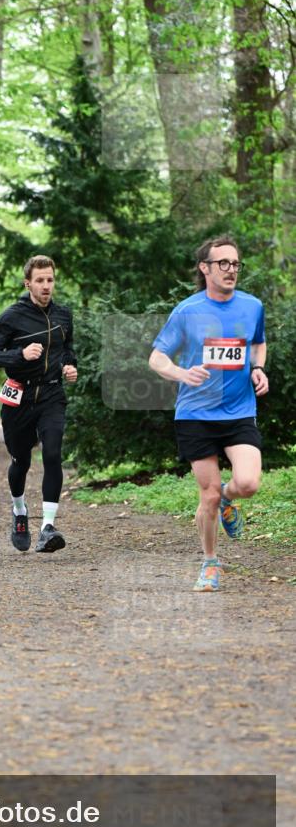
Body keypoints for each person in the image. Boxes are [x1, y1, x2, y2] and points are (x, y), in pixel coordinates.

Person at [149, 235, 268, 592]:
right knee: (209, 495)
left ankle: (230, 499)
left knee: (248, 483)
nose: (231, 270)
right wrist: (181, 373)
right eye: (223, 263)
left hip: (239, 411)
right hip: (196, 415)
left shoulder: (252, 306)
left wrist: (258, 368)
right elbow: (157, 357)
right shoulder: (188, 311)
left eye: (235, 264)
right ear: (205, 268)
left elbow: (258, 342)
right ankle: (210, 562)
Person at [0, 255, 77, 553]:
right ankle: (19, 511)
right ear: (28, 284)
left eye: (50, 279)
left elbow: (67, 349)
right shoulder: (12, 317)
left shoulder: (63, 315)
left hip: (51, 394)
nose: (46, 285)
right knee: (20, 461)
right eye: (40, 280)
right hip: (19, 397)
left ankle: (47, 528)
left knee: (52, 454)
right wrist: (20, 355)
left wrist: (70, 366)